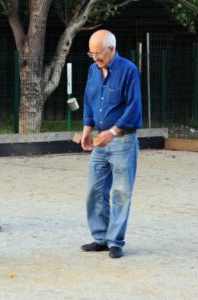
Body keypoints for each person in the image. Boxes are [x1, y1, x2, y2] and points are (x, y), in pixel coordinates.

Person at [80, 30, 142, 258]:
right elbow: (89, 99)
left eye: (99, 53)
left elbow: (134, 107)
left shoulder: (129, 70)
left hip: (123, 139)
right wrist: (87, 129)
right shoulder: (92, 70)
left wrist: (113, 132)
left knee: (120, 193)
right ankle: (101, 238)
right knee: (94, 191)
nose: (95, 57)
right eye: (92, 53)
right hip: (99, 140)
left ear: (112, 49)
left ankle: (115, 241)